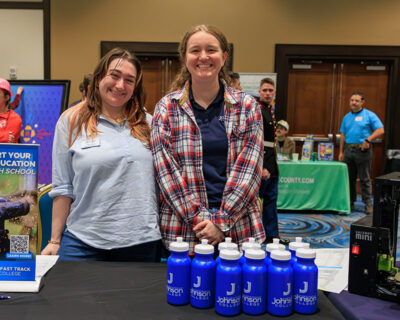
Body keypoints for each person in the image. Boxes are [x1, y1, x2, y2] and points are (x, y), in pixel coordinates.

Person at [151, 25, 265, 254]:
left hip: (239, 230)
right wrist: (203, 223)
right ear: (185, 57)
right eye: (195, 50)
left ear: (224, 57)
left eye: (211, 50)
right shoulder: (166, 108)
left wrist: (221, 223)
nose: (203, 56)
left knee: (237, 289)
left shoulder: (247, 107)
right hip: (185, 231)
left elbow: (250, 172)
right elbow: (167, 175)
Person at [41, 48, 161, 261]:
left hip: (141, 242)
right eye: (114, 75)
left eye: (129, 80)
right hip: (84, 241)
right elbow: (63, 186)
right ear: (98, 78)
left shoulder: (150, 123)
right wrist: (54, 241)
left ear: (135, 87)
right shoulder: (71, 122)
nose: (120, 85)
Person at [338, 92, 384, 214]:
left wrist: (368, 140)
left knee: (365, 178)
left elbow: (380, 130)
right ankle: (350, 202)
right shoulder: (346, 117)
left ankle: (368, 203)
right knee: (350, 178)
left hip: (363, 150)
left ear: (362, 102)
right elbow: (343, 134)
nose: (353, 102)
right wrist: (341, 152)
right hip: (348, 150)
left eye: (357, 100)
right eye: (352, 100)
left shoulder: (369, 115)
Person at [257, 77, 279, 242]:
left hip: (271, 164)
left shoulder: (269, 110)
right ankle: (257, 234)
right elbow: (258, 141)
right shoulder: (258, 110)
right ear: (259, 92)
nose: (267, 93)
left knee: (271, 201)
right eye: (264, 90)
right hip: (263, 165)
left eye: (270, 90)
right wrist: (263, 166)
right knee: (256, 202)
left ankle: (271, 235)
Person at [0, 78, 22, 143]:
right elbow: (6, 138)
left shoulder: (15, 118)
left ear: (6, 97)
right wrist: (4, 135)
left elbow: (7, 141)